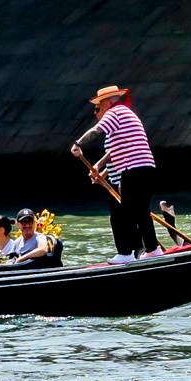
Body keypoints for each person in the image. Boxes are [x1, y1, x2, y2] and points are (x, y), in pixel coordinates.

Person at [76, 82, 164, 255]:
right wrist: (100, 169)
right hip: (144, 167)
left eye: (99, 105)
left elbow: (96, 131)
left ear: (107, 102)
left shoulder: (115, 112)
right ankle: (152, 250)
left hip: (133, 169)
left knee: (124, 214)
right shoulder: (125, 114)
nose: (98, 110)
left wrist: (77, 144)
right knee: (140, 212)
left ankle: (127, 254)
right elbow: (116, 151)